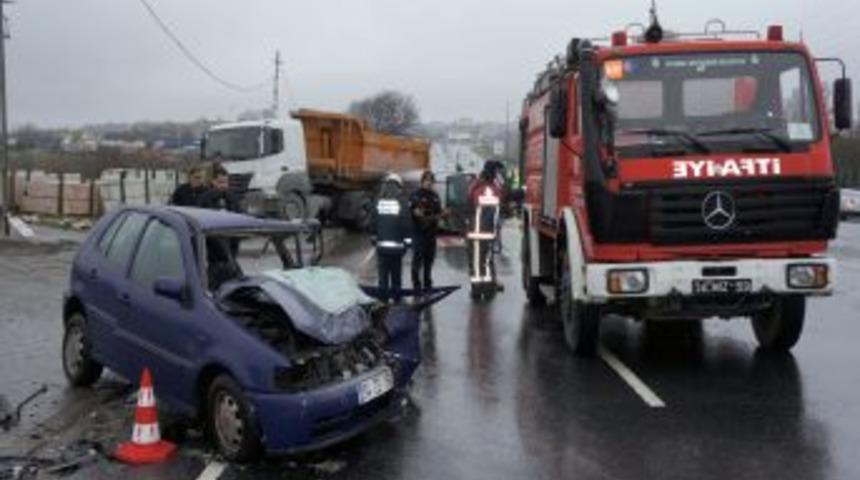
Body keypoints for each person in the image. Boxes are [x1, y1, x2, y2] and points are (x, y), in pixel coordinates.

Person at [372, 173, 412, 303]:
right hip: (397, 248)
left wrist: (374, 238)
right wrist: (408, 243)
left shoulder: (379, 201)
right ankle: (396, 302)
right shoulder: (402, 201)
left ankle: (382, 304)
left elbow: (373, 221)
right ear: (399, 186)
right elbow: (406, 223)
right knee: (396, 278)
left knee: (383, 278)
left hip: (381, 247)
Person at [467, 163, 504, 294]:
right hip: (488, 233)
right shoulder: (496, 190)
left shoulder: (475, 187)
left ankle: (476, 289)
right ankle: (488, 288)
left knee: (476, 262)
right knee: (487, 261)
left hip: (475, 232)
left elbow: (469, 204)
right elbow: (501, 206)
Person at [409, 171, 444, 293]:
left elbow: (439, 212)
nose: (429, 183)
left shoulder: (435, 196)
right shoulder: (415, 195)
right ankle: (416, 284)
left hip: (431, 234)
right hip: (419, 233)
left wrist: (442, 215)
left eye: (431, 181)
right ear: (422, 181)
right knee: (417, 261)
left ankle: (427, 283)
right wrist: (423, 214)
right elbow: (416, 213)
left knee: (429, 261)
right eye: (426, 180)